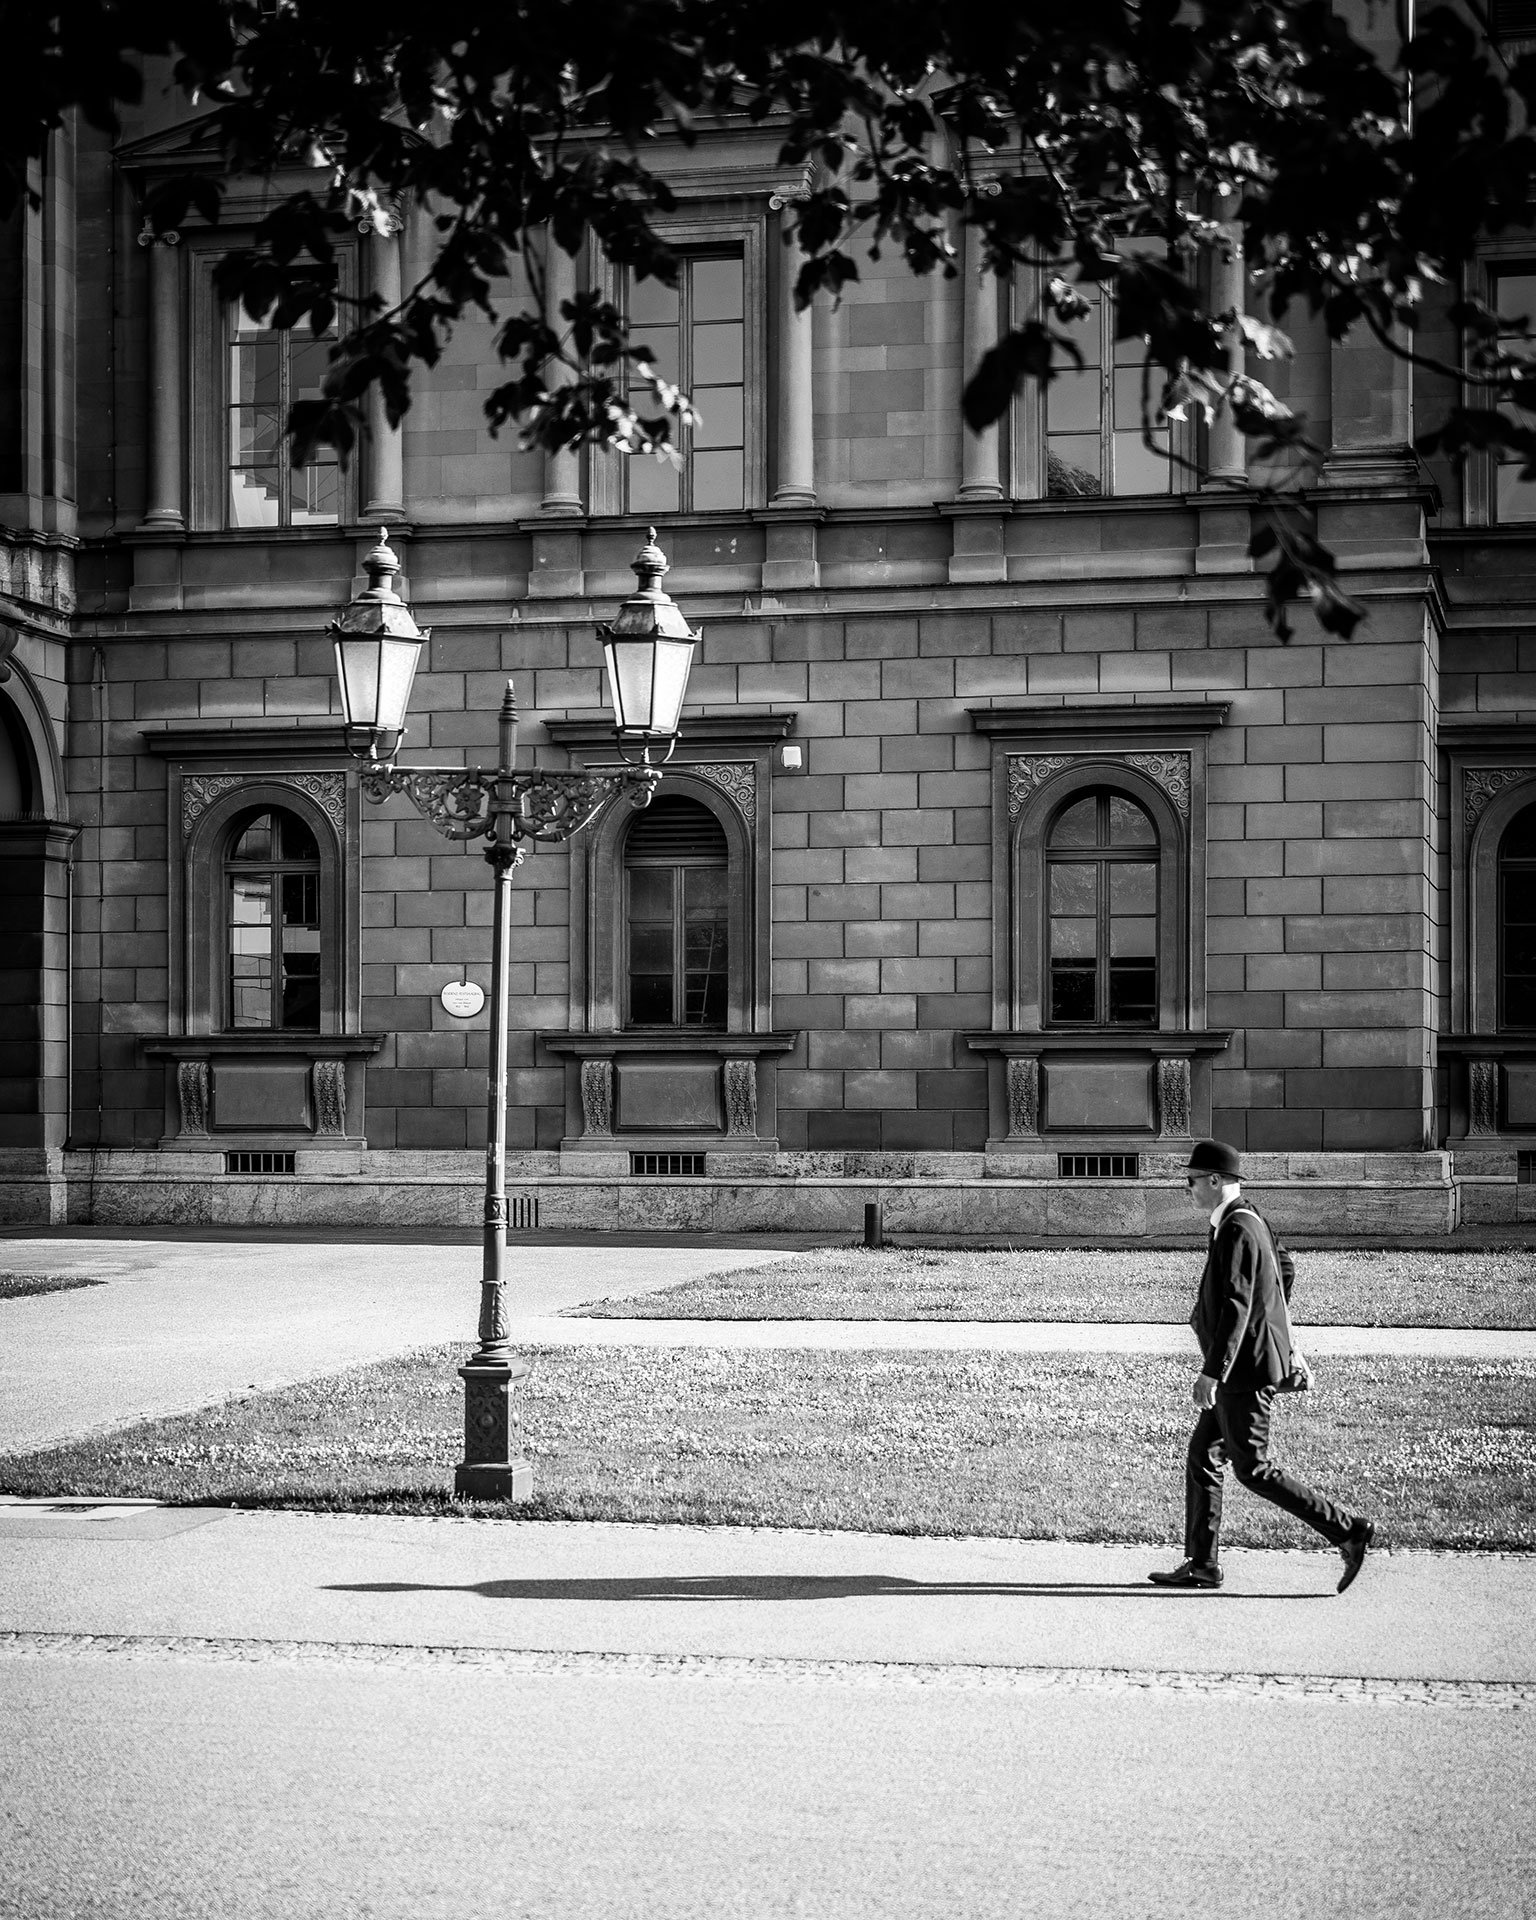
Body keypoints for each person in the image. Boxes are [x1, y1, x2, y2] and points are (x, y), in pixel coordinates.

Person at [1149, 1138, 1375, 1594]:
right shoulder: (1247, 1217)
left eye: (1191, 1181)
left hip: (1242, 1373)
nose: (1187, 1188)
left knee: (1252, 1468)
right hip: (1247, 1364)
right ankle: (1202, 1564)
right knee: (1203, 1454)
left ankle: (1347, 1530)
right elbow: (1283, 1269)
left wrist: (1213, 1370)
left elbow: (1236, 1304)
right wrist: (1277, 1334)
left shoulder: (1236, 1228)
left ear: (1215, 1181)